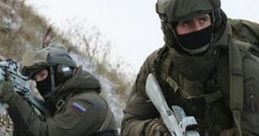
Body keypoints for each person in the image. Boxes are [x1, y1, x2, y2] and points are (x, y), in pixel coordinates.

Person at [121, 0, 259, 135]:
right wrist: (155, 130)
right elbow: (129, 125)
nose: (198, 29)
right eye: (187, 23)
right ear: (171, 29)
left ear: (213, 18)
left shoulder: (244, 63)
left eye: (203, 20)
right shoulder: (157, 66)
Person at [0, 45, 118, 136]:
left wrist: (13, 98)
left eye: (42, 75)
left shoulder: (86, 103)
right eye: (36, 79)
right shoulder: (63, 105)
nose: (39, 83)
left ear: (62, 72)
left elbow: (44, 134)